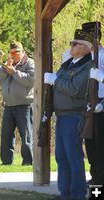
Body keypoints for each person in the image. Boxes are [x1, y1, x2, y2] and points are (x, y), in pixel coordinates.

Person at [44, 29, 93, 200]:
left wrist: (55, 80)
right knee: (61, 157)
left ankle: (77, 194)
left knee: (73, 157)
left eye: (75, 44)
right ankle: (65, 193)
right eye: (71, 43)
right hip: (62, 116)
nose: (71, 46)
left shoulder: (87, 66)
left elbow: (75, 90)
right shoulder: (69, 63)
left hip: (74, 116)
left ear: (86, 48)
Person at [0, 40, 34, 166]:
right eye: (11, 53)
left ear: (23, 52)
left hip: (25, 105)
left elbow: (31, 80)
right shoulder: (7, 64)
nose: (13, 55)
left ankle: (27, 162)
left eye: (16, 52)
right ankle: (6, 162)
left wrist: (14, 73)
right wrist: (5, 68)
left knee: (26, 135)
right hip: (9, 105)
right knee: (6, 135)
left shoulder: (30, 63)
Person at [82, 21, 104, 186]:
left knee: (100, 143)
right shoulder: (83, 58)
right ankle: (95, 174)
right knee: (90, 143)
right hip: (88, 103)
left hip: (101, 104)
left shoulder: (102, 55)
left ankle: (100, 176)